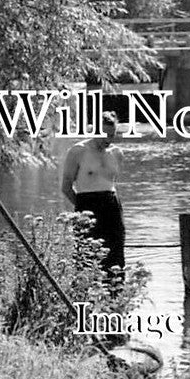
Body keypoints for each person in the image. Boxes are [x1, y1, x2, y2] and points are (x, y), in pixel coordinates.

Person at [61, 111, 125, 280]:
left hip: (112, 207)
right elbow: (66, 187)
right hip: (88, 205)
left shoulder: (117, 153)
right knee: (86, 258)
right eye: (104, 134)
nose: (108, 139)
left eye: (112, 135)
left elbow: (111, 183)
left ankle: (115, 299)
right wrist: (82, 210)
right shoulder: (78, 151)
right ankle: (84, 300)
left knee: (116, 257)